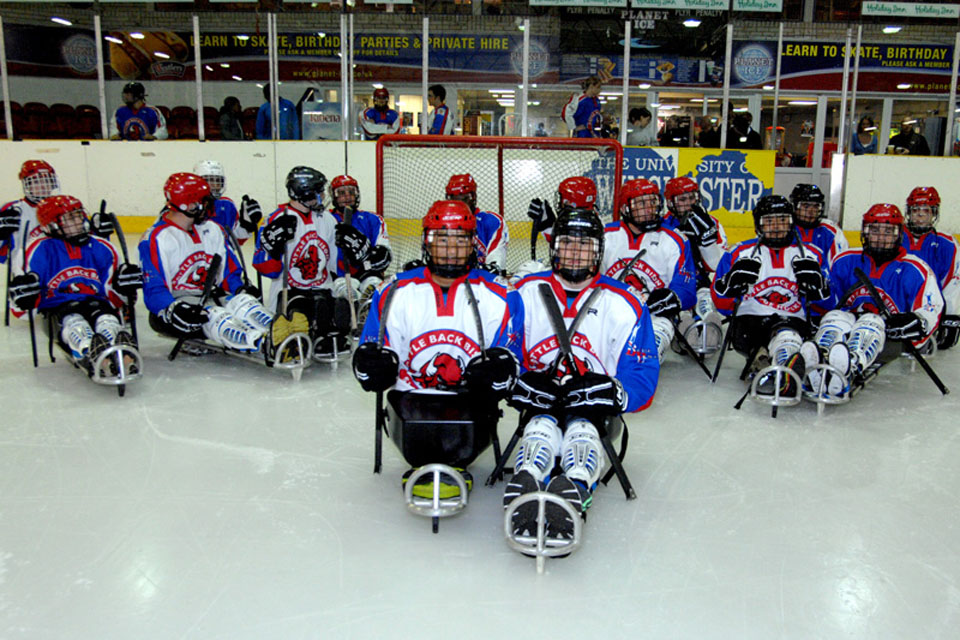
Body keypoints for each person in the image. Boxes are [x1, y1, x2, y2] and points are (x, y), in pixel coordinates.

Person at [503, 207, 659, 543]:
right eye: (567, 243)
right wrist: (519, 380)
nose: (575, 253)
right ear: (553, 247)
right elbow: (506, 351)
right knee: (540, 427)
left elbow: (643, 373)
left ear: (599, 252)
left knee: (584, 431)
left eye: (585, 245)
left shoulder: (625, 303)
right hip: (541, 404)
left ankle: (575, 486)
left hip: (593, 412)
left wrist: (616, 392)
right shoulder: (525, 292)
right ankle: (527, 480)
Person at [351, 199, 522, 498]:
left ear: (473, 245)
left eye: (460, 240)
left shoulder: (500, 294)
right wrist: (370, 364)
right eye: (441, 240)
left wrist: (502, 368)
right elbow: (375, 346)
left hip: (470, 403)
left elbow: (513, 355)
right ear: (426, 243)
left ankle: (455, 458)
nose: (451, 250)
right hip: (410, 401)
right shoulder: (394, 291)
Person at [139, 173, 292, 359]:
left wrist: (240, 289)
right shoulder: (158, 238)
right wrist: (172, 308)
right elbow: (153, 288)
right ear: (188, 204)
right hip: (180, 304)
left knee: (246, 304)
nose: (210, 207)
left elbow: (228, 272)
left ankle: (285, 332)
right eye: (203, 202)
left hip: (212, 295)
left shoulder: (212, 229)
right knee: (219, 317)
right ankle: (261, 344)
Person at [800, 203, 943, 398]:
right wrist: (817, 294)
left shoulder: (915, 268)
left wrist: (917, 320)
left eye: (888, 231)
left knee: (872, 321)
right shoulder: (844, 260)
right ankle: (821, 358)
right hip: (848, 323)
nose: (881, 238)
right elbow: (829, 302)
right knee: (836, 317)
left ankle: (850, 364)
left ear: (899, 235)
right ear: (865, 232)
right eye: (874, 231)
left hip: (889, 335)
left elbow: (932, 306)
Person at [711, 195, 831, 398]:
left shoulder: (812, 254)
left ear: (792, 222)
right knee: (780, 334)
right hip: (748, 325)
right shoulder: (739, 252)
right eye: (769, 221)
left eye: (782, 220)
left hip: (793, 322)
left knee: (786, 332)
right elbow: (721, 304)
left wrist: (818, 289)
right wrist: (730, 284)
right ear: (758, 224)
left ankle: (783, 368)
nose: (776, 226)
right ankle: (791, 366)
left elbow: (825, 306)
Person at [10, 195, 141, 379]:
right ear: (51, 225)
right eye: (71, 218)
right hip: (58, 309)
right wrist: (25, 297)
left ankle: (121, 351)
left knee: (107, 320)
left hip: (95, 303)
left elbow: (115, 297)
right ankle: (90, 353)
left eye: (79, 215)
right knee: (75, 323)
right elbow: (21, 308)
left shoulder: (102, 247)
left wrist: (125, 287)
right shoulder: (37, 250)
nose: (79, 221)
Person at [253, 166, 353, 358]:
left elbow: (337, 266)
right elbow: (267, 269)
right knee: (302, 308)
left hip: (321, 289)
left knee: (338, 306)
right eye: (319, 191)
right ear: (306, 193)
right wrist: (272, 249)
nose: (324, 196)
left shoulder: (328, 219)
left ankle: (322, 331)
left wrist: (353, 250)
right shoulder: (277, 220)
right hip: (290, 292)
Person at [602, 178, 696, 364]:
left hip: (655, 316)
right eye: (641, 203)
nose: (649, 208)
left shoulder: (675, 240)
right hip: (609, 313)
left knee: (643, 358)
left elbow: (686, 290)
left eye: (652, 202)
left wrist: (672, 298)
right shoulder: (604, 235)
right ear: (624, 209)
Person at [900, 186, 959, 350]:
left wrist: (950, 317)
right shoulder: (894, 236)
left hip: (929, 312)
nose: (920, 215)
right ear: (908, 212)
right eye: (915, 210)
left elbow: (952, 283)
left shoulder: (947, 244)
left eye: (926, 210)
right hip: (894, 311)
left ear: (934, 213)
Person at [327, 174, 392, 297]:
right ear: (334, 196)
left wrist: (366, 254)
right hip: (336, 276)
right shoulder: (325, 219)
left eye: (351, 192)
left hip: (366, 272)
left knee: (375, 289)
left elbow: (383, 256)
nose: (347, 196)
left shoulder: (373, 219)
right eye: (341, 193)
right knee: (345, 294)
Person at [1, 160, 61, 277]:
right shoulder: (13, 209)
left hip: (56, 272)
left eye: (47, 181)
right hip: (21, 274)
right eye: (36, 182)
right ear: (28, 185)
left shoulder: (62, 208)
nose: (43, 186)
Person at [444, 173, 509, 271]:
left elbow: (495, 266)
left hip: (481, 281)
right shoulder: (441, 224)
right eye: (455, 200)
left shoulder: (492, 222)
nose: (460, 206)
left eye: (464, 199)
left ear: (474, 197)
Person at [193, 160, 262, 244]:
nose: (215, 185)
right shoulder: (190, 207)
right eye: (210, 180)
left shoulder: (227, 205)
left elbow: (234, 241)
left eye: (218, 181)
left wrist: (246, 226)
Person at [789, 183, 848, 265]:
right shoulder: (784, 229)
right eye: (806, 206)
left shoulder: (832, 232)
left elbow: (839, 267)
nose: (811, 211)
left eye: (816, 206)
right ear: (794, 206)